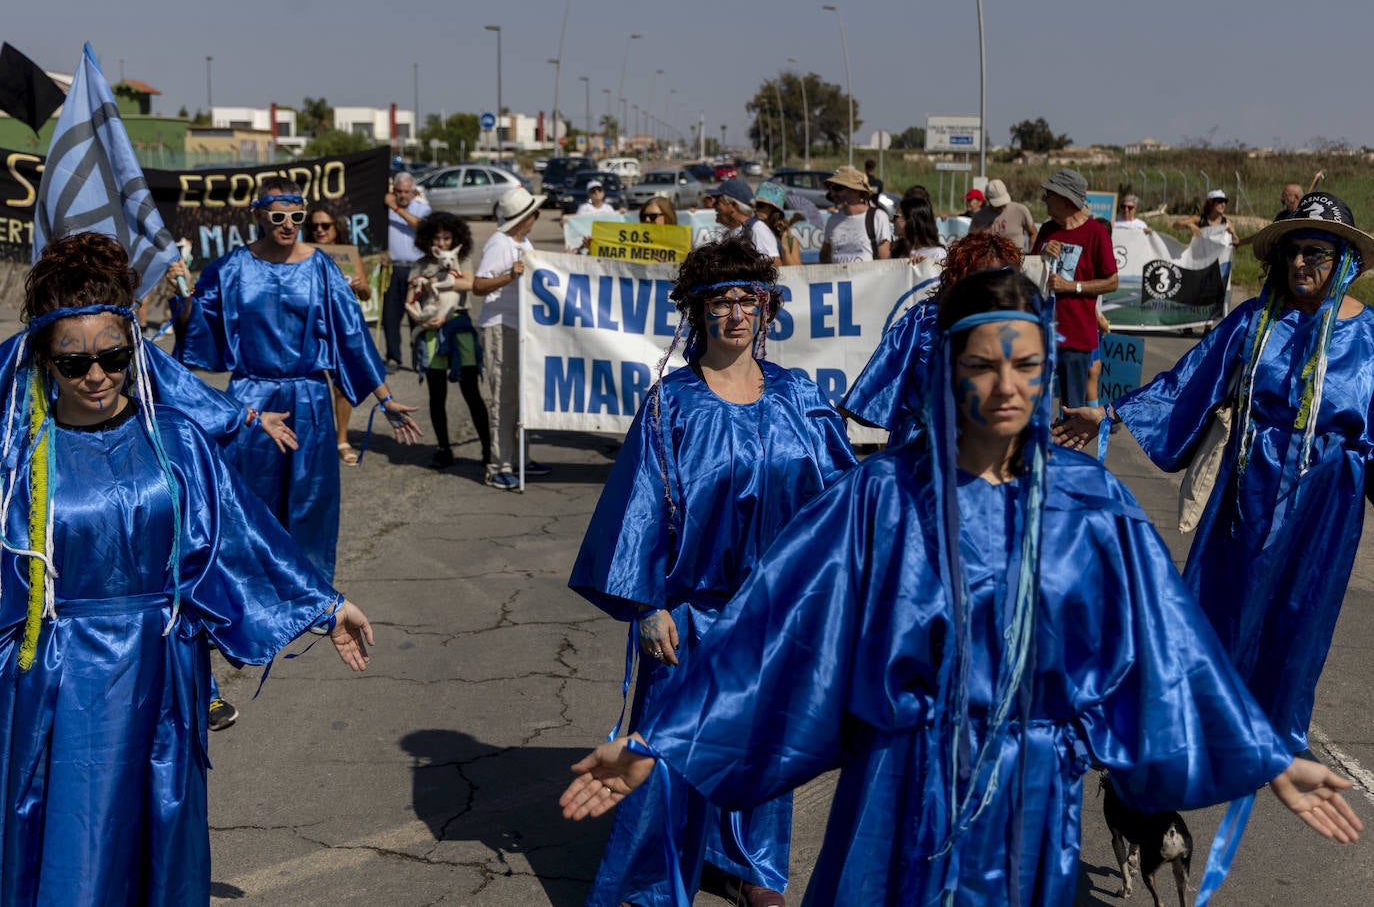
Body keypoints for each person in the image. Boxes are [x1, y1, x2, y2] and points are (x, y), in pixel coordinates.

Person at [560, 268, 1362, 905]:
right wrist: (658, 741)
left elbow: (1168, 652)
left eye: (1026, 364)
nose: (1008, 386)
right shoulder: (879, 499)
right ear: (949, 369)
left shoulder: (1091, 505)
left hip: (1030, 792)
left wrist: (1267, 758)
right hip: (899, 780)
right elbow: (774, 635)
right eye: (983, 364)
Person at [0, 232, 377, 905]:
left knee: (160, 838)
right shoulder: (18, 458)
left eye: (114, 357)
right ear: (42, 362)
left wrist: (324, 605)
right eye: (73, 363)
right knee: (76, 848)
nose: (96, 376)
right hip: (62, 680)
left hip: (164, 671)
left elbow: (241, 536)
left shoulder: (176, 440)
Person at [570, 238, 856, 907]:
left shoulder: (798, 397)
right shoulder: (672, 404)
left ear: (767, 308)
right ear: (695, 312)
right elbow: (635, 511)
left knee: (762, 745)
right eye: (721, 300)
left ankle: (754, 867)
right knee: (667, 760)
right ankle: (649, 887)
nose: (736, 314)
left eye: (748, 300)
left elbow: (844, 502)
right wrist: (646, 606)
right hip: (689, 615)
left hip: (772, 613)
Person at [1055, 192, 1374, 758]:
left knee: (1303, 609)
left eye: (1317, 253)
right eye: (1293, 251)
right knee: (1224, 598)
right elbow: (1188, 381)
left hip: (1329, 500)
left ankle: (1276, 733)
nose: (1302, 263)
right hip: (1250, 489)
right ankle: (1197, 718)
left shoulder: (1370, 337)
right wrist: (1108, 412)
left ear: (1344, 260)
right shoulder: (1254, 321)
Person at [169, 175, 422, 580]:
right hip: (252, 394)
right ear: (259, 215)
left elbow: (352, 335)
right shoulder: (233, 267)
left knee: (311, 500)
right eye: (279, 215)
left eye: (297, 216)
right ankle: (251, 589)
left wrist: (385, 398)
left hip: (309, 398)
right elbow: (197, 323)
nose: (289, 224)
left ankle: (308, 589)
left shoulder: (320, 267)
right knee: (250, 497)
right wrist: (182, 298)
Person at [841, 230, 1024, 446]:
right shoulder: (923, 320)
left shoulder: (1017, 326)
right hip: (921, 444)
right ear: (964, 274)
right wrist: (839, 416)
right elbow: (882, 372)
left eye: (1005, 275)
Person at [473, 188, 552, 489]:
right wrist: (509, 275)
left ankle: (520, 459)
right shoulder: (499, 243)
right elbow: (479, 285)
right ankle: (498, 465)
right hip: (500, 327)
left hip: (520, 329)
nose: (536, 218)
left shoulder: (522, 241)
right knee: (503, 399)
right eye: (534, 213)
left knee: (521, 397)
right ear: (525, 217)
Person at [403, 212, 491, 470]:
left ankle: (488, 447)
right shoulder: (419, 265)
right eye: (437, 237)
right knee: (436, 393)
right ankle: (443, 448)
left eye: (447, 237)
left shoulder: (462, 258)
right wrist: (420, 321)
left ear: (456, 238)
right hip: (430, 332)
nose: (442, 243)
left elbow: (470, 283)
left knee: (471, 391)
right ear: (427, 239)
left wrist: (434, 282)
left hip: (460, 328)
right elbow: (410, 298)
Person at [1033, 168, 1119, 412]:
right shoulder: (1047, 230)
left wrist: (1072, 286)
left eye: (1048, 194)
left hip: (1076, 336)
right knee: (1033, 405)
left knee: (1071, 408)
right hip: (1040, 333)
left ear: (1065, 199)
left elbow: (1112, 281)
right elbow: (1028, 273)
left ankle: (1068, 450)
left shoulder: (1096, 233)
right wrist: (1041, 254)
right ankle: (1037, 450)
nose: (1043, 199)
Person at [305, 207, 372, 467]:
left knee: (341, 386)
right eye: (314, 226)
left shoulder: (348, 254)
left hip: (339, 325)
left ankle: (342, 438)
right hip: (309, 326)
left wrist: (360, 286)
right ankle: (312, 440)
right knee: (308, 384)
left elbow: (366, 294)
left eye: (325, 226)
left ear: (336, 228)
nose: (320, 231)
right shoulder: (301, 253)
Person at [380, 172, 432, 370]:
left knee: (416, 316)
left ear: (413, 192)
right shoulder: (385, 210)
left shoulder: (422, 208)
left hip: (416, 269)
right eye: (398, 191)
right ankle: (393, 356)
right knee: (390, 317)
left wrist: (396, 208)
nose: (402, 196)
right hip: (393, 267)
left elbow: (423, 227)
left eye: (406, 192)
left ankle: (419, 357)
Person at [819, 166, 891, 264]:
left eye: (837, 188)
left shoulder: (877, 217)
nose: (832, 194)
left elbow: (886, 262)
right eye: (831, 189)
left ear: (855, 190)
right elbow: (824, 255)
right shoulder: (832, 220)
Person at [708, 178, 779, 261]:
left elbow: (774, 265)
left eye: (718, 202)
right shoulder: (730, 233)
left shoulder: (757, 229)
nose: (714, 206)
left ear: (733, 205)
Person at [970, 179, 1039, 251]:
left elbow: (1033, 233)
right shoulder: (978, 217)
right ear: (988, 199)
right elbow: (971, 241)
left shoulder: (1020, 210)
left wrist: (1032, 254)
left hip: (1016, 260)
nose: (1001, 206)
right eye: (997, 204)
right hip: (988, 260)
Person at [753, 180, 802, 266]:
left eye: (760, 206)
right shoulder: (750, 230)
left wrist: (785, 249)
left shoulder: (790, 240)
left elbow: (798, 273)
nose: (755, 209)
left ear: (774, 210)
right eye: (754, 205)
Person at [890, 188, 946, 264]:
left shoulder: (937, 254)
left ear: (911, 221)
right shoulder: (897, 251)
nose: (892, 221)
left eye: (896, 216)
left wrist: (925, 266)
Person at [1174, 188, 1239, 247]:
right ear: (1210, 202)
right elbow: (1175, 225)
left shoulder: (1226, 222)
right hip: (1200, 258)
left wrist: (1233, 236)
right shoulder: (1199, 219)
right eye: (1220, 201)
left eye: (1225, 201)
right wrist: (1189, 225)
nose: (1223, 204)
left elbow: (1236, 241)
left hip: (1219, 259)